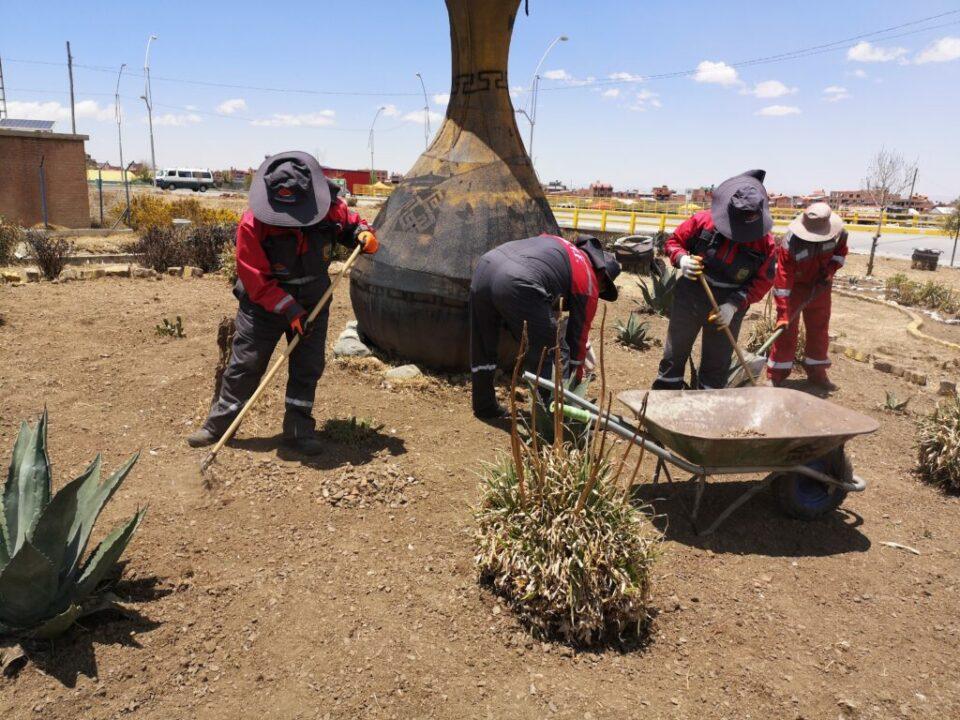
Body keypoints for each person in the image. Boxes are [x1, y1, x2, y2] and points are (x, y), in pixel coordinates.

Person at [187, 151, 378, 454]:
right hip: (264, 302)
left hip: (314, 298)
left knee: (307, 365)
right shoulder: (252, 223)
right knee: (245, 363)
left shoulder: (329, 208)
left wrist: (362, 233)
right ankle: (218, 426)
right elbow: (255, 278)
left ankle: (298, 430)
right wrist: (288, 308)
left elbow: (350, 224)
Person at [469, 234, 621, 419]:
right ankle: (548, 418)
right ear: (602, 278)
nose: (599, 292)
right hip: (519, 280)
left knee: (483, 342)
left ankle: (484, 406)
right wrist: (574, 384)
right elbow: (577, 340)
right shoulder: (589, 279)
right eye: (603, 289)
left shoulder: (561, 245)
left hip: (486, 266)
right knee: (549, 350)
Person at [653, 170, 776, 390]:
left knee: (716, 364)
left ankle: (707, 403)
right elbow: (673, 242)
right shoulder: (703, 221)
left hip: (728, 305)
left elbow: (763, 281)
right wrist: (681, 259)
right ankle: (664, 397)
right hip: (691, 295)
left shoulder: (765, 244)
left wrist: (734, 305)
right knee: (674, 356)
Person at [767, 202, 848, 389]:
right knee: (786, 331)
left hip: (820, 287)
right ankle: (776, 375)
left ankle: (817, 373)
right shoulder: (791, 243)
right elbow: (783, 280)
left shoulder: (839, 234)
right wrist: (783, 312)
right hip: (794, 289)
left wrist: (830, 271)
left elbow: (840, 253)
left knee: (819, 330)